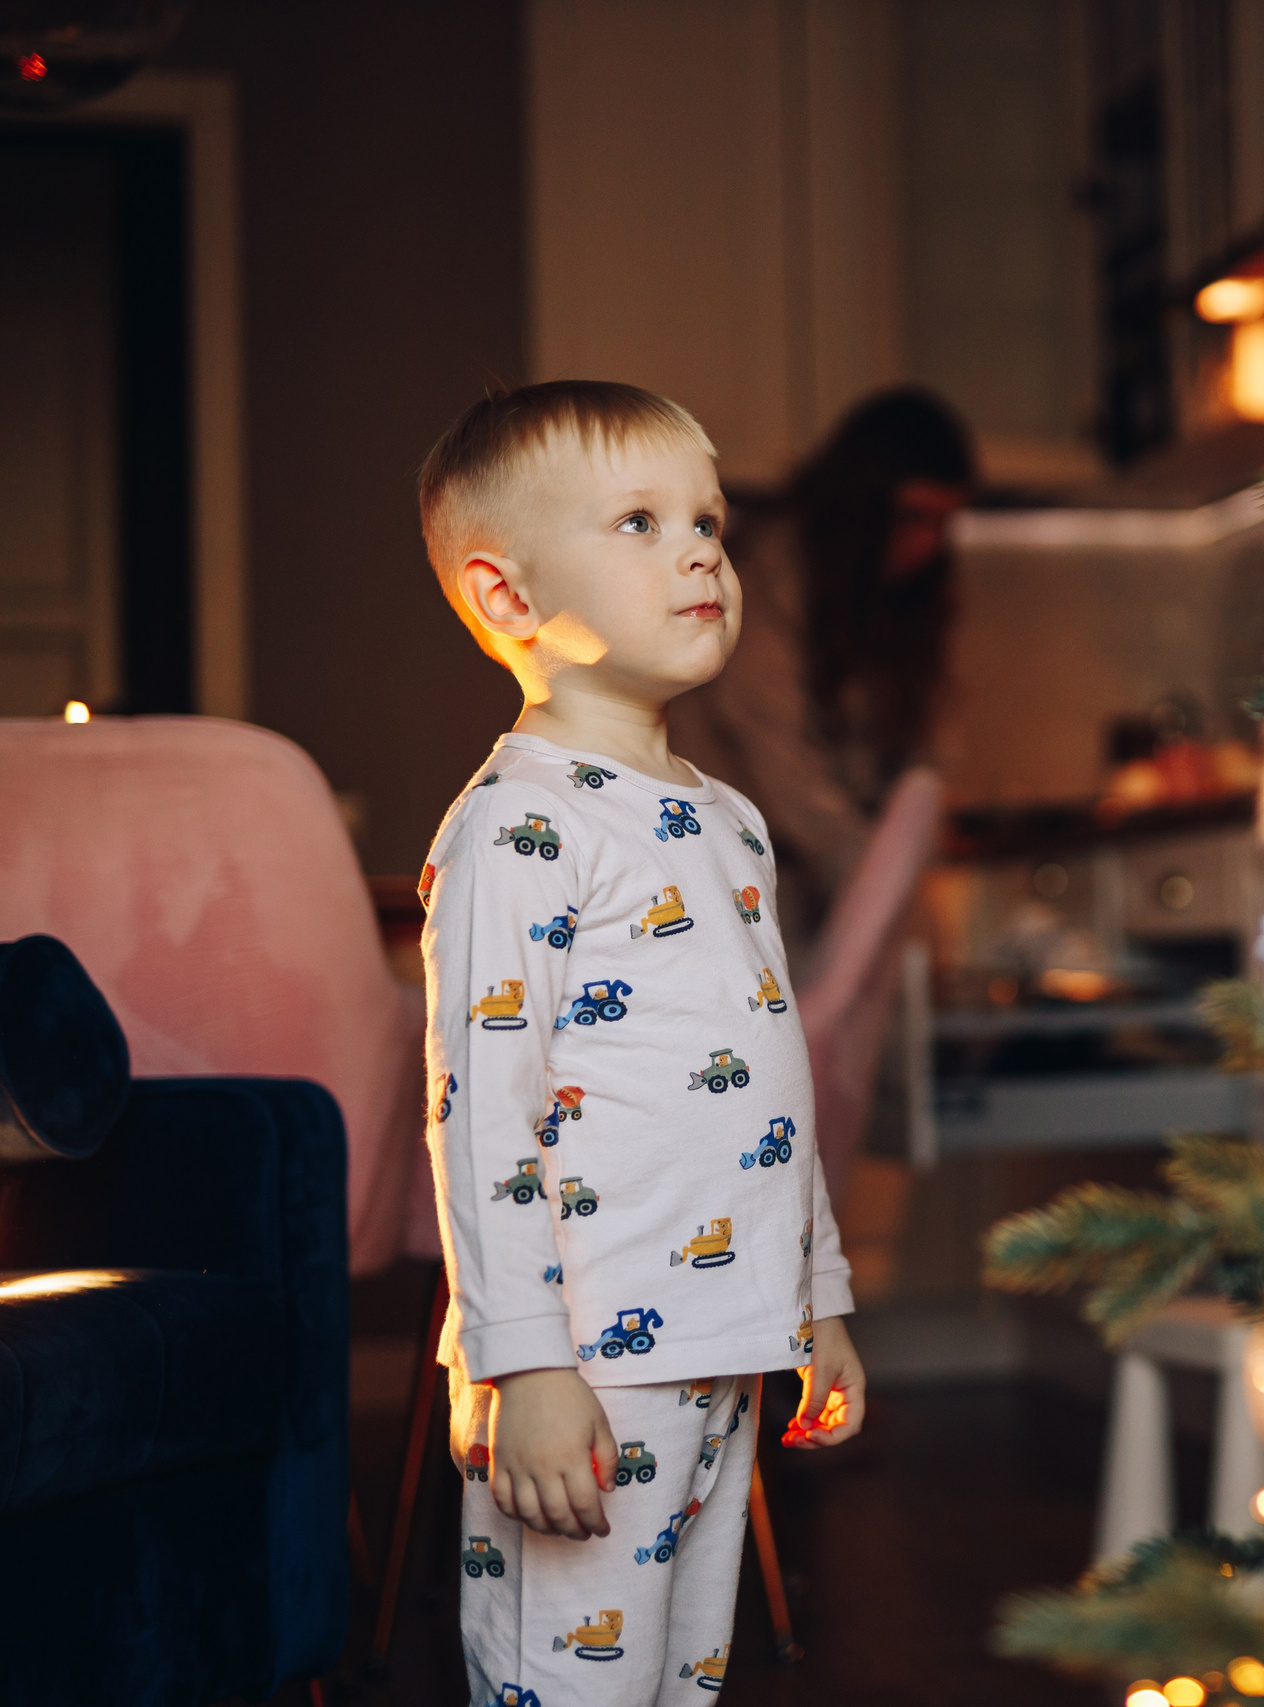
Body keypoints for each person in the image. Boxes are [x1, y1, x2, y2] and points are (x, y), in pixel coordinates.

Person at [413, 380, 864, 1702]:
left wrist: (816, 1294)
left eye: (707, 521)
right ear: (508, 599)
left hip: (726, 1334)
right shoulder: (515, 829)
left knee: (683, 1678)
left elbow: (768, 1075)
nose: (702, 551)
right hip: (587, 1355)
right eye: (641, 521)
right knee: (575, 1681)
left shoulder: (726, 818)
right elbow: (481, 1112)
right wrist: (526, 1361)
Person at [668, 387, 974, 931]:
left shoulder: (911, 605)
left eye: (942, 522)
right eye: (913, 516)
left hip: (828, 882)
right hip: (729, 886)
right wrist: (889, 896)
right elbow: (783, 762)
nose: (927, 543)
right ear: (862, 503)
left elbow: (926, 764)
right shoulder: (758, 584)